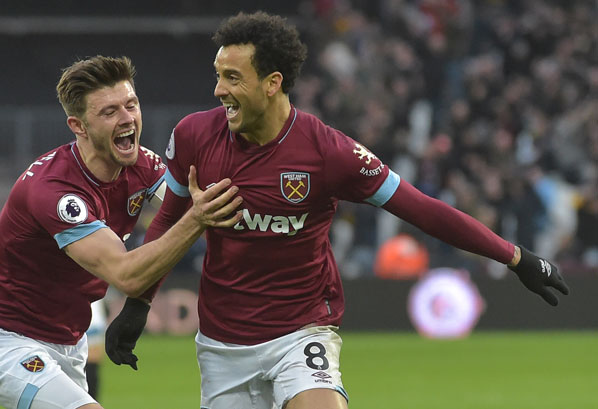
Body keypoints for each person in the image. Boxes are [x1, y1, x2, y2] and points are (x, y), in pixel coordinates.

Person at [105, 12, 570, 409]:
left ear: (272, 83)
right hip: (224, 343)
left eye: (232, 77)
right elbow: (167, 220)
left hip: (302, 330)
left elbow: (421, 209)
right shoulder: (193, 137)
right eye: (218, 74)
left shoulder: (329, 153)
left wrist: (513, 256)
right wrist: (139, 303)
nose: (218, 90)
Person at [0, 55, 243, 409]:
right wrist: (198, 218)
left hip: (68, 341)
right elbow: (128, 274)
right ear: (78, 126)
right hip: (4, 340)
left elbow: (191, 206)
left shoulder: (142, 165)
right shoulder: (56, 191)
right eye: (109, 112)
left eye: (131, 104)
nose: (126, 118)